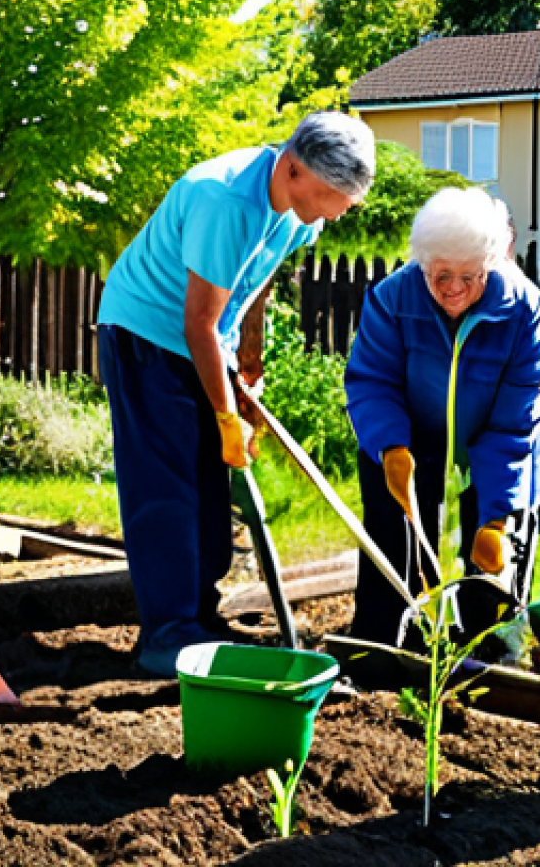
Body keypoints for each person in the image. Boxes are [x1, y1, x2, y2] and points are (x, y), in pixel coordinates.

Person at [97, 112, 376, 677]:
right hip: (145, 334)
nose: (338, 209)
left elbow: (258, 279)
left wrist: (247, 366)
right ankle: (167, 635)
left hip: (204, 339)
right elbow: (197, 322)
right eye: (330, 195)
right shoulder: (226, 201)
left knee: (208, 484)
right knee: (168, 486)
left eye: (345, 198)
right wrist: (227, 417)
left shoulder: (301, 206)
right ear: (293, 169)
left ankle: (198, 619)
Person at [344, 188, 540, 649]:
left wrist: (497, 517)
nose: (453, 288)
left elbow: (512, 426)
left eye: (470, 275)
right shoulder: (392, 297)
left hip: (508, 442)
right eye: (440, 273)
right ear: (422, 263)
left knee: (494, 561)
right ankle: (384, 651)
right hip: (410, 438)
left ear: (494, 262)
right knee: (393, 534)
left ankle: (489, 662)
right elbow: (372, 382)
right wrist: (390, 447)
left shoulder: (525, 310)